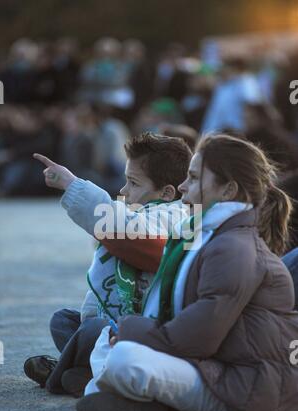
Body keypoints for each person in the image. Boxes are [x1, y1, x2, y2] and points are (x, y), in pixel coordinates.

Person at [76, 133, 298, 411]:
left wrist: (133, 330)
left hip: (246, 389)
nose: (182, 186)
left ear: (228, 190)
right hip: (215, 366)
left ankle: (138, 397)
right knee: (106, 341)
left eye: (193, 178)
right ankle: (140, 400)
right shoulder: (207, 234)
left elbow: (200, 337)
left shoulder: (233, 247)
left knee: (123, 357)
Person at [24, 133, 192, 395]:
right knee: (63, 320)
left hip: (141, 335)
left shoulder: (175, 216)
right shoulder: (148, 212)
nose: (124, 191)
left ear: (167, 192)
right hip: (113, 324)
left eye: (133, 183)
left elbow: (122, 225)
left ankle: (62, 377)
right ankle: (89, 371)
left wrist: (73, 185)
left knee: (93, 329)